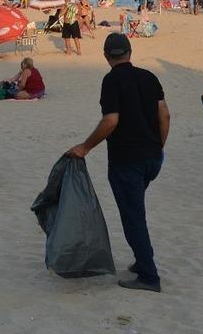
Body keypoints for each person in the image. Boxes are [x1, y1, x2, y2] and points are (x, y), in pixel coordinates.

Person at [67, 33, 170, 292]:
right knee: (136, 210)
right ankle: (142, 260)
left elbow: (110, 120)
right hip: (152, 158)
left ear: (106, 56)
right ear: (129, 52)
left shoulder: (111, 81)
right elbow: (165, 115)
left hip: (127, 160)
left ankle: (149, 276)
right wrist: (158, 147)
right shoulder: (149, 77)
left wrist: (85, 147)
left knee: (133, 216)